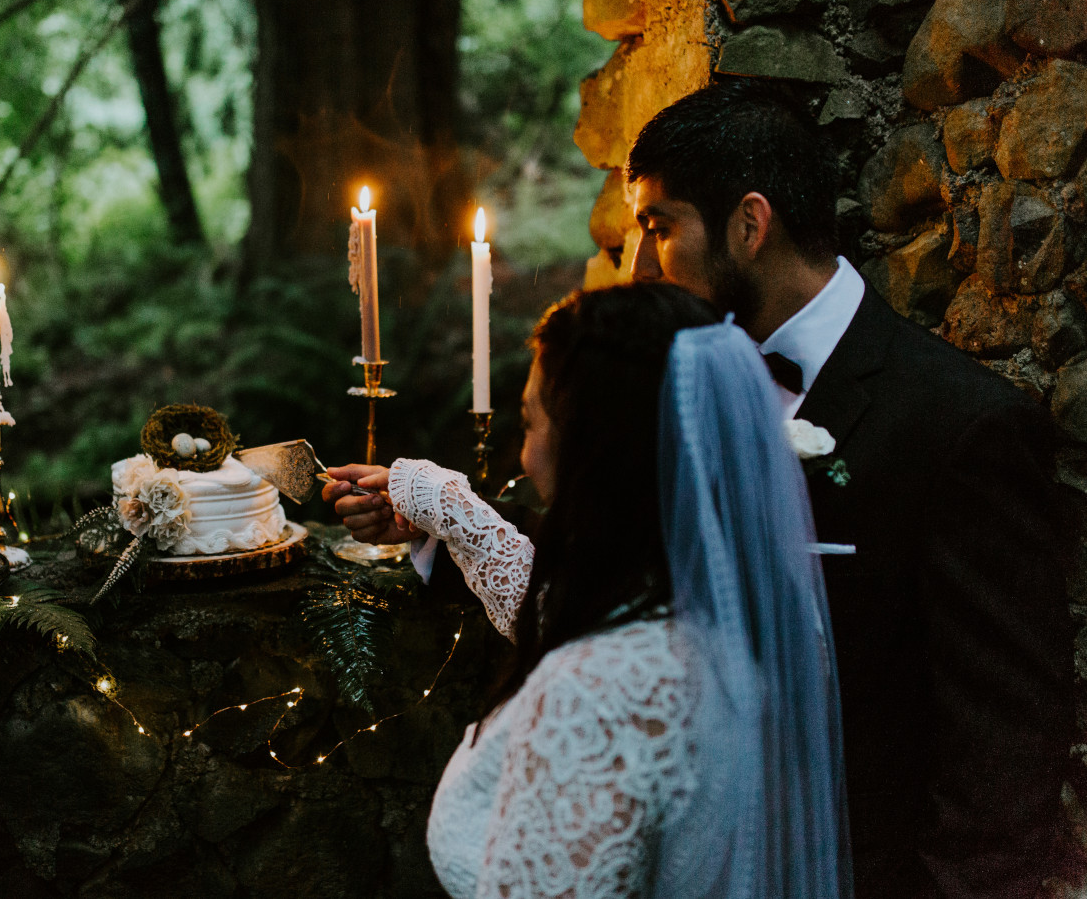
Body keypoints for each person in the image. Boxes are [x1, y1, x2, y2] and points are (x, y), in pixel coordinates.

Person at [329, 78, 1075, 899]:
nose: (639, 264)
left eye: (659, 228)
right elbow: (631, 585)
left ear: (749, 225)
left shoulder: (959, 428)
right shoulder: (680, 383)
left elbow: (1003, 768)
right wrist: (447, 520)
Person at [341, 283, 850, 898]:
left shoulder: (596, 693)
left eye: (529, 422)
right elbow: (565, 607)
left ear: (593, 450)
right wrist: (445, 507)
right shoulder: (760, 621)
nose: (523, 455)